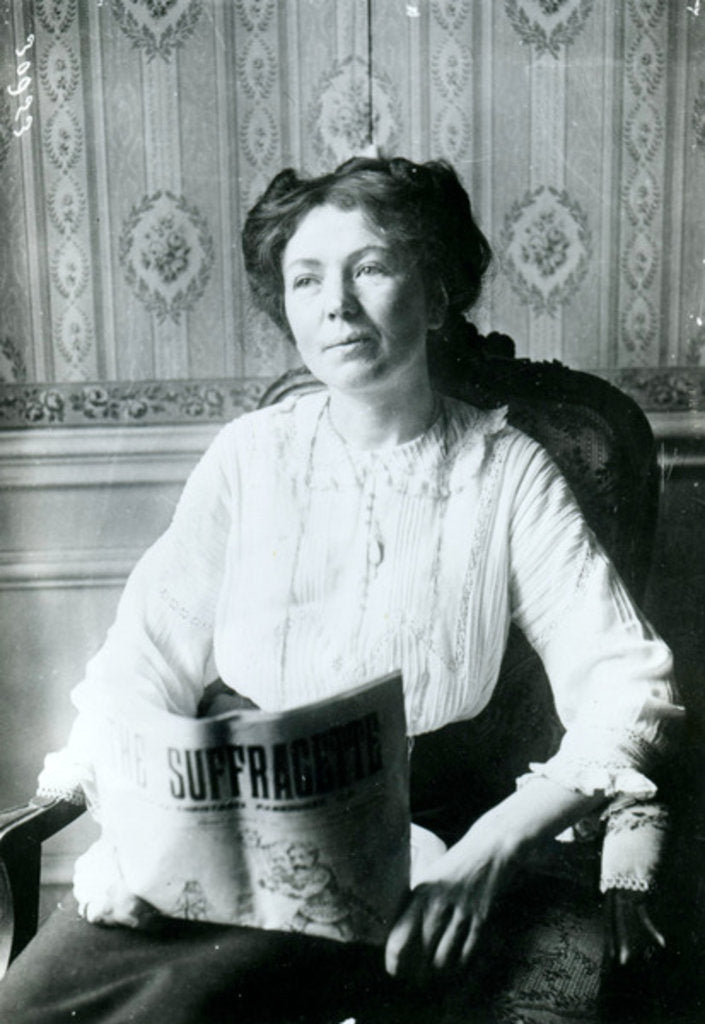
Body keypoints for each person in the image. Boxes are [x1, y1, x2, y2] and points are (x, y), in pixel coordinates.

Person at [0, 156, 684, 1023]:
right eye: (306, 278)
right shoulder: (247, 458)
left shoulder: (508, 472)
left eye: (369, 267)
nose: (336, 303)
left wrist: (489, 849)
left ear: (436, 297)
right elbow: (136, 663)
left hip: (410, 853)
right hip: (213, 829)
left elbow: (632, 688)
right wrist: (126, 811)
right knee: (30, 1005)